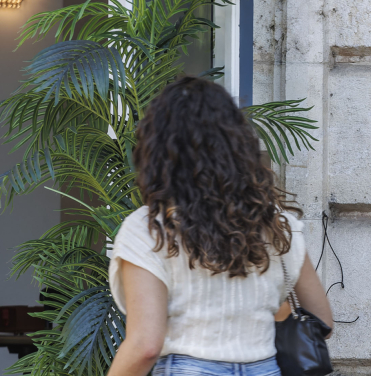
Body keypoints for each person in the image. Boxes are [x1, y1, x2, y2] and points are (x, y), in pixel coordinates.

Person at [106, 77, 333, 376]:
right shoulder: (275, 224)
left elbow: (145, 345)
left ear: (157, 149)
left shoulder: (148, 229)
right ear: (238, 145)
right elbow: (322, 320)